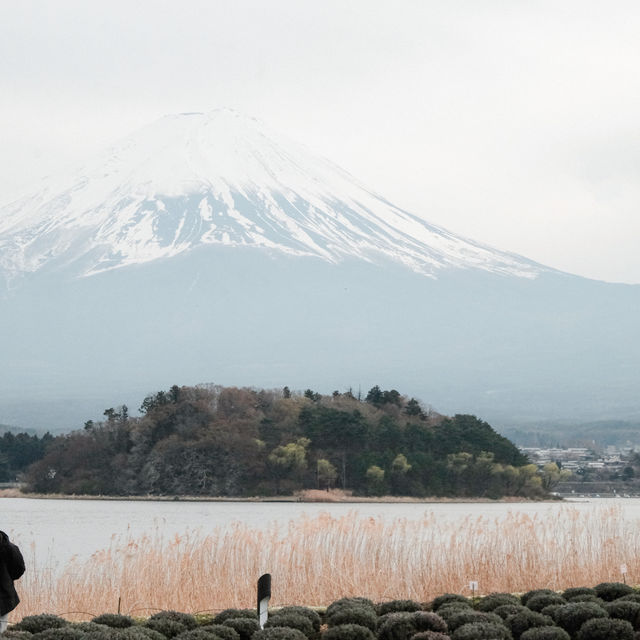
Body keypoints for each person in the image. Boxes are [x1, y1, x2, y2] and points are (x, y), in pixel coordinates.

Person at [0, 531, 25, 633]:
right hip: (4, 595)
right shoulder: (11, 548)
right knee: (1, 630)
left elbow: (19, 570)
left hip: (3, 596)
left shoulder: (10, 549)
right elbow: (18, 570)